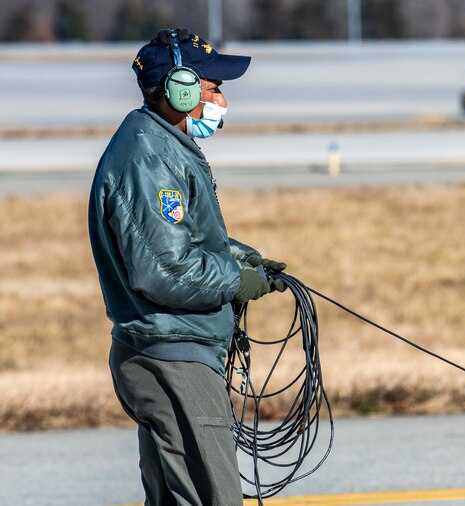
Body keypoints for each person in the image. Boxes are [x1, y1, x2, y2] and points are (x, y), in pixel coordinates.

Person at [88, 27, 285, 506]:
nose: (220, 97)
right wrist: (238, 280)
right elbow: (166, 270)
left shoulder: (160, 145)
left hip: (170, 351)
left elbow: (181, 240)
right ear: (181, 89)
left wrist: (243, 258)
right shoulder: (148, 160)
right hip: (173, 357)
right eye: (214, 86)